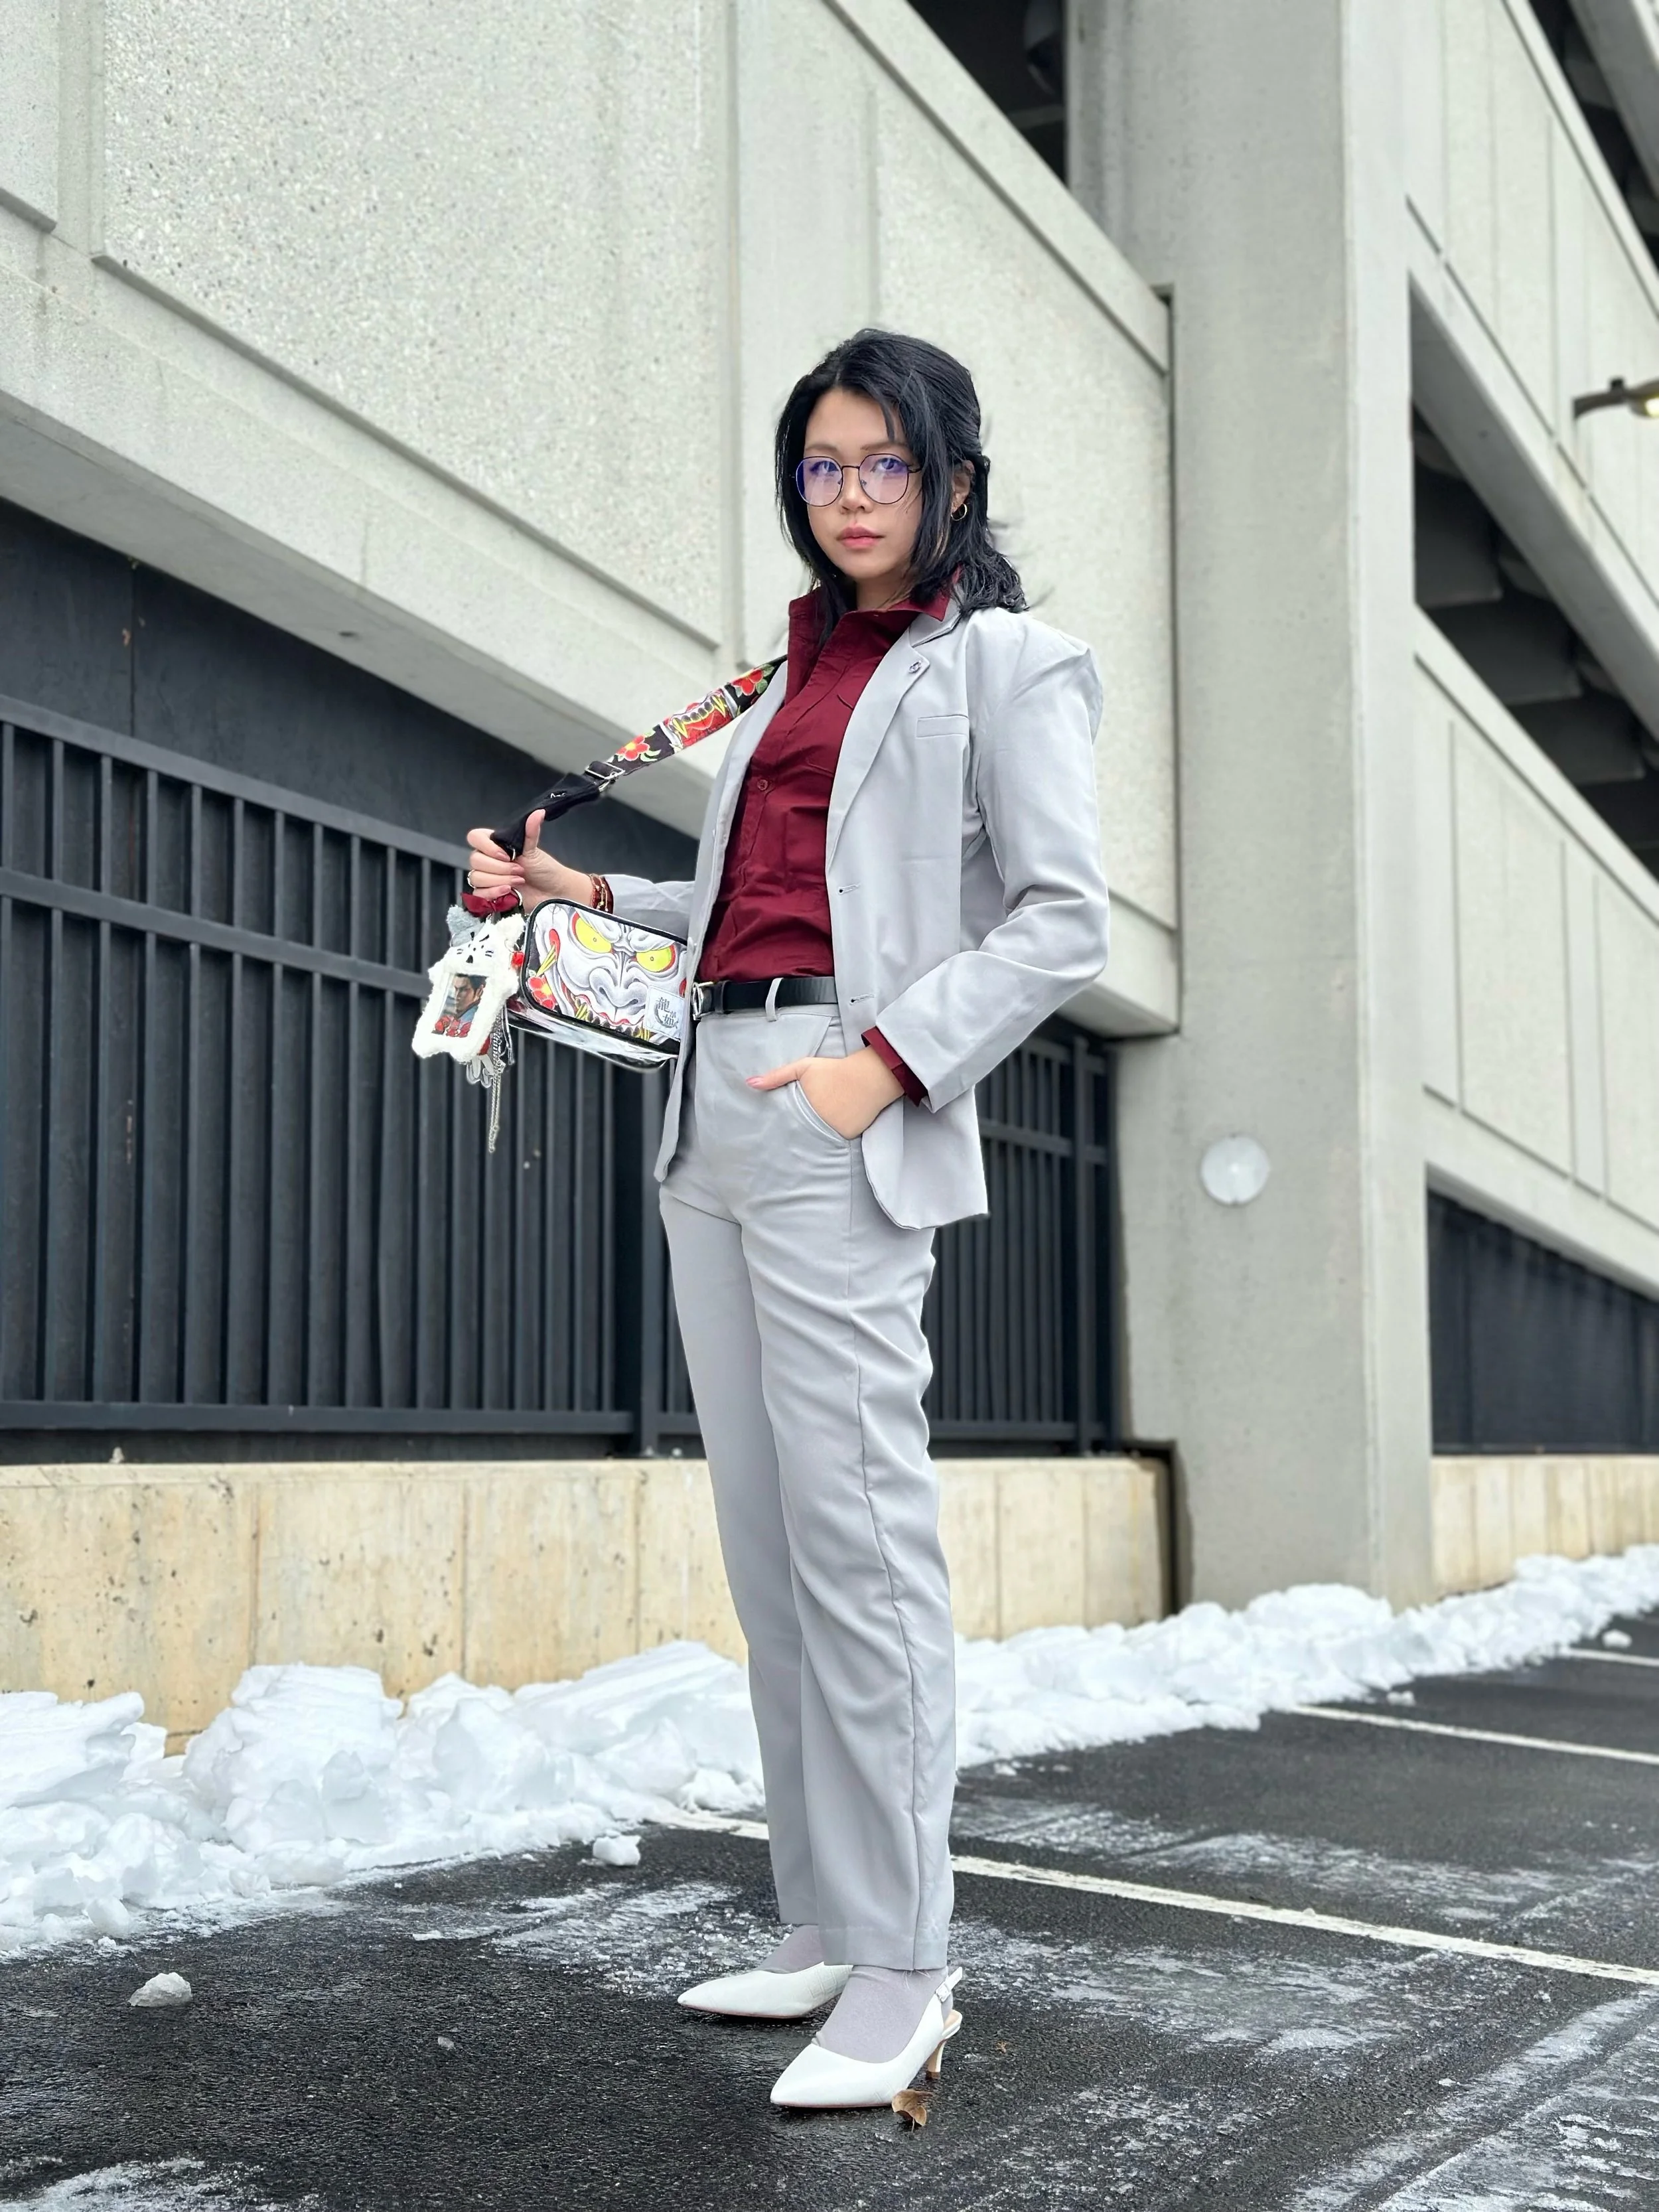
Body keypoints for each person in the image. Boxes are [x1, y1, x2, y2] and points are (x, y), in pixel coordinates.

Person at [467, 329, 1110, 2109]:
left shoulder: (1003, 664)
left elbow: (1061, 921)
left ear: (949, 479)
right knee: (770, 1554)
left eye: (879, 463)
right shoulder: (787, 677)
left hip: (839, 1095)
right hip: (711, 1102)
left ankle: (908, 1966)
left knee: (860, 1550)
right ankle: (825, 1921)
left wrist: (878, 1064)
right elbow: (754, 895)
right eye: (819, 466)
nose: (846, 494)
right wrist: (579, 890)